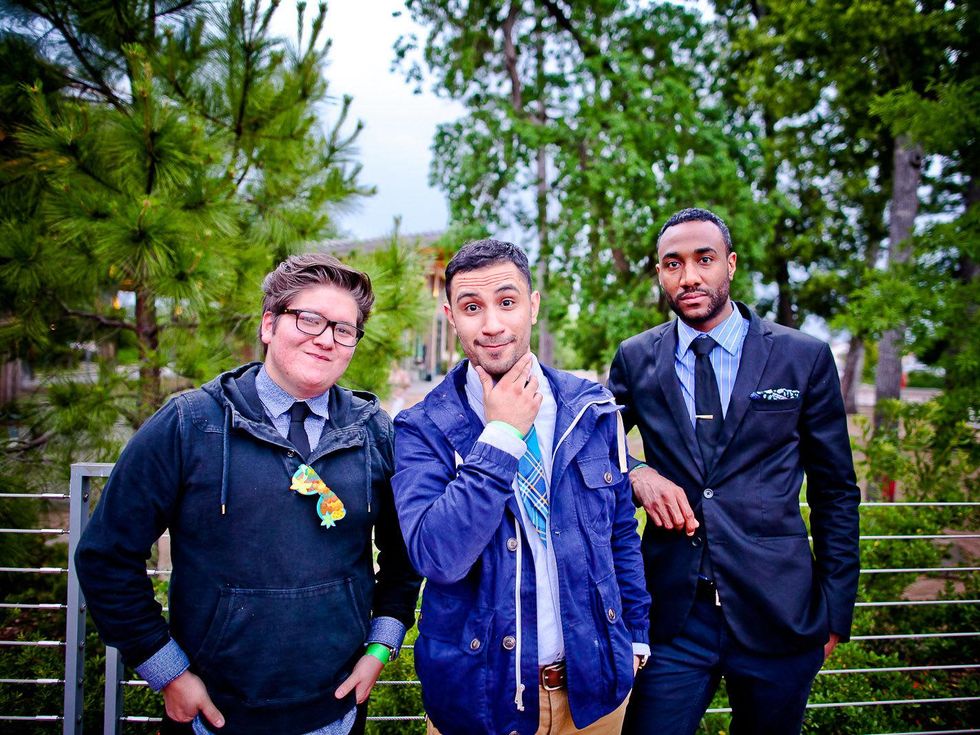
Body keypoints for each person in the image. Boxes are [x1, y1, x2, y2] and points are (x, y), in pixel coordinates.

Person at [75, 254, 422, 735]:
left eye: (344, 329)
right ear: (268, 324)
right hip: (212, 716)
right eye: (309, 319)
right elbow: (105, 557)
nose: (326, 338)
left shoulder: (373, 434)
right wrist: (166, 671)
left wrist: (381, 648)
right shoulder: (189, 425)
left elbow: (405, 561)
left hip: (336, 713)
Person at [607, 208, 861, 735]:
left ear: (731, 264)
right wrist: (637, 474)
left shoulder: (802, 357)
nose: (690, 276)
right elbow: (592, 447)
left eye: (704, 259)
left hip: (778, 613)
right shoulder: (635, 358)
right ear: (659, 272)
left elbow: (836, 490)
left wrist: (837, 609)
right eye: (672, 264)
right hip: (674, 617)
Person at [392, 239, 651, 735]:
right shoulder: (422, 426)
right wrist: (502, 437)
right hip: (479, 701)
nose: (491, 324)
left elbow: (620, 534)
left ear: (533, 304)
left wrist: (634, 637)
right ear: (451, 315)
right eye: (472, 307)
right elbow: (437, 556)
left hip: (593, 695)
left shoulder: (591, 409)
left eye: (507, 302)